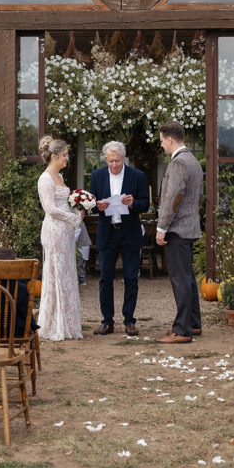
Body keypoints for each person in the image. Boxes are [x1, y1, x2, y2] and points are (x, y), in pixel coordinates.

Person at [88, 141, 150, 336]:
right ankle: (107, 321)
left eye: (117, 160)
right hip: (107, 232)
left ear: (124, 158)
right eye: (110, 161)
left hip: (129, 231)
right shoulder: (97, 176)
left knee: (131, 278)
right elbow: (89, 203)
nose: (114, 164)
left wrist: (133, 203)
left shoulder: (137, 176)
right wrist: (96, 205)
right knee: (105, 278)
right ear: (105, 159)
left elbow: (145, 204)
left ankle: (129, 321)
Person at [155, 122, 203, 344]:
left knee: (180, 280)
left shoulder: (179, 163)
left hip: (178, 229)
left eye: (162, 140)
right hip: (189, 227)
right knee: (188, 278)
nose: (162, 144)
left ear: (170, 139)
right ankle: (193, 324)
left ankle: (182, 330)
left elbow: (174, 198)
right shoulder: (192, 161)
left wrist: (161, 228)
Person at [36, 136, 84, 340]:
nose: (67, 159)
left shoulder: (61, 178)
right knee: (55, 273)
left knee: (66, 274)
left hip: (66, 232)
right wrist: (73, 217)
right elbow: (50, 209)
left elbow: (65, 202)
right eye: (64, 155)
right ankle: (53, 324)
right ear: (54, 156)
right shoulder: (45, 178)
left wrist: (79, 207)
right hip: (54, 230)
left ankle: (69, 324)